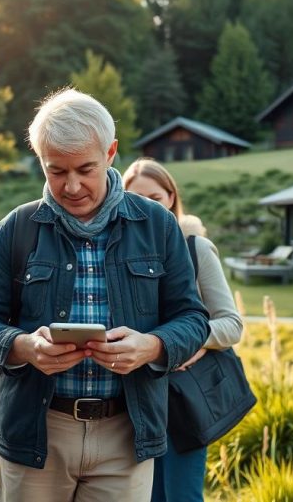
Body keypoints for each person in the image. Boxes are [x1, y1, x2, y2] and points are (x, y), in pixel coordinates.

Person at [0, 88, 210, 502]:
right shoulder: (15, 229)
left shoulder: (158, 225)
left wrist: (151, 346)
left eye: (85, 169)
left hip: (127, 434)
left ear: (111, 153)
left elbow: (193, 319)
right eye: (55, 171)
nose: (71, 186)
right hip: (35, 432)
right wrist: (24, 347)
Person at [123, 158, 245, 502]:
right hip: (130, 399)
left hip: (182, 399)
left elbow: (231, 324)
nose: (147, 206)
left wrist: (185, 342)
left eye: (155, 197)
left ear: (171, 198)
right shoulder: (117, 253)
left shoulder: (195, 247)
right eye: (137, 198)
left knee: (180, 495)